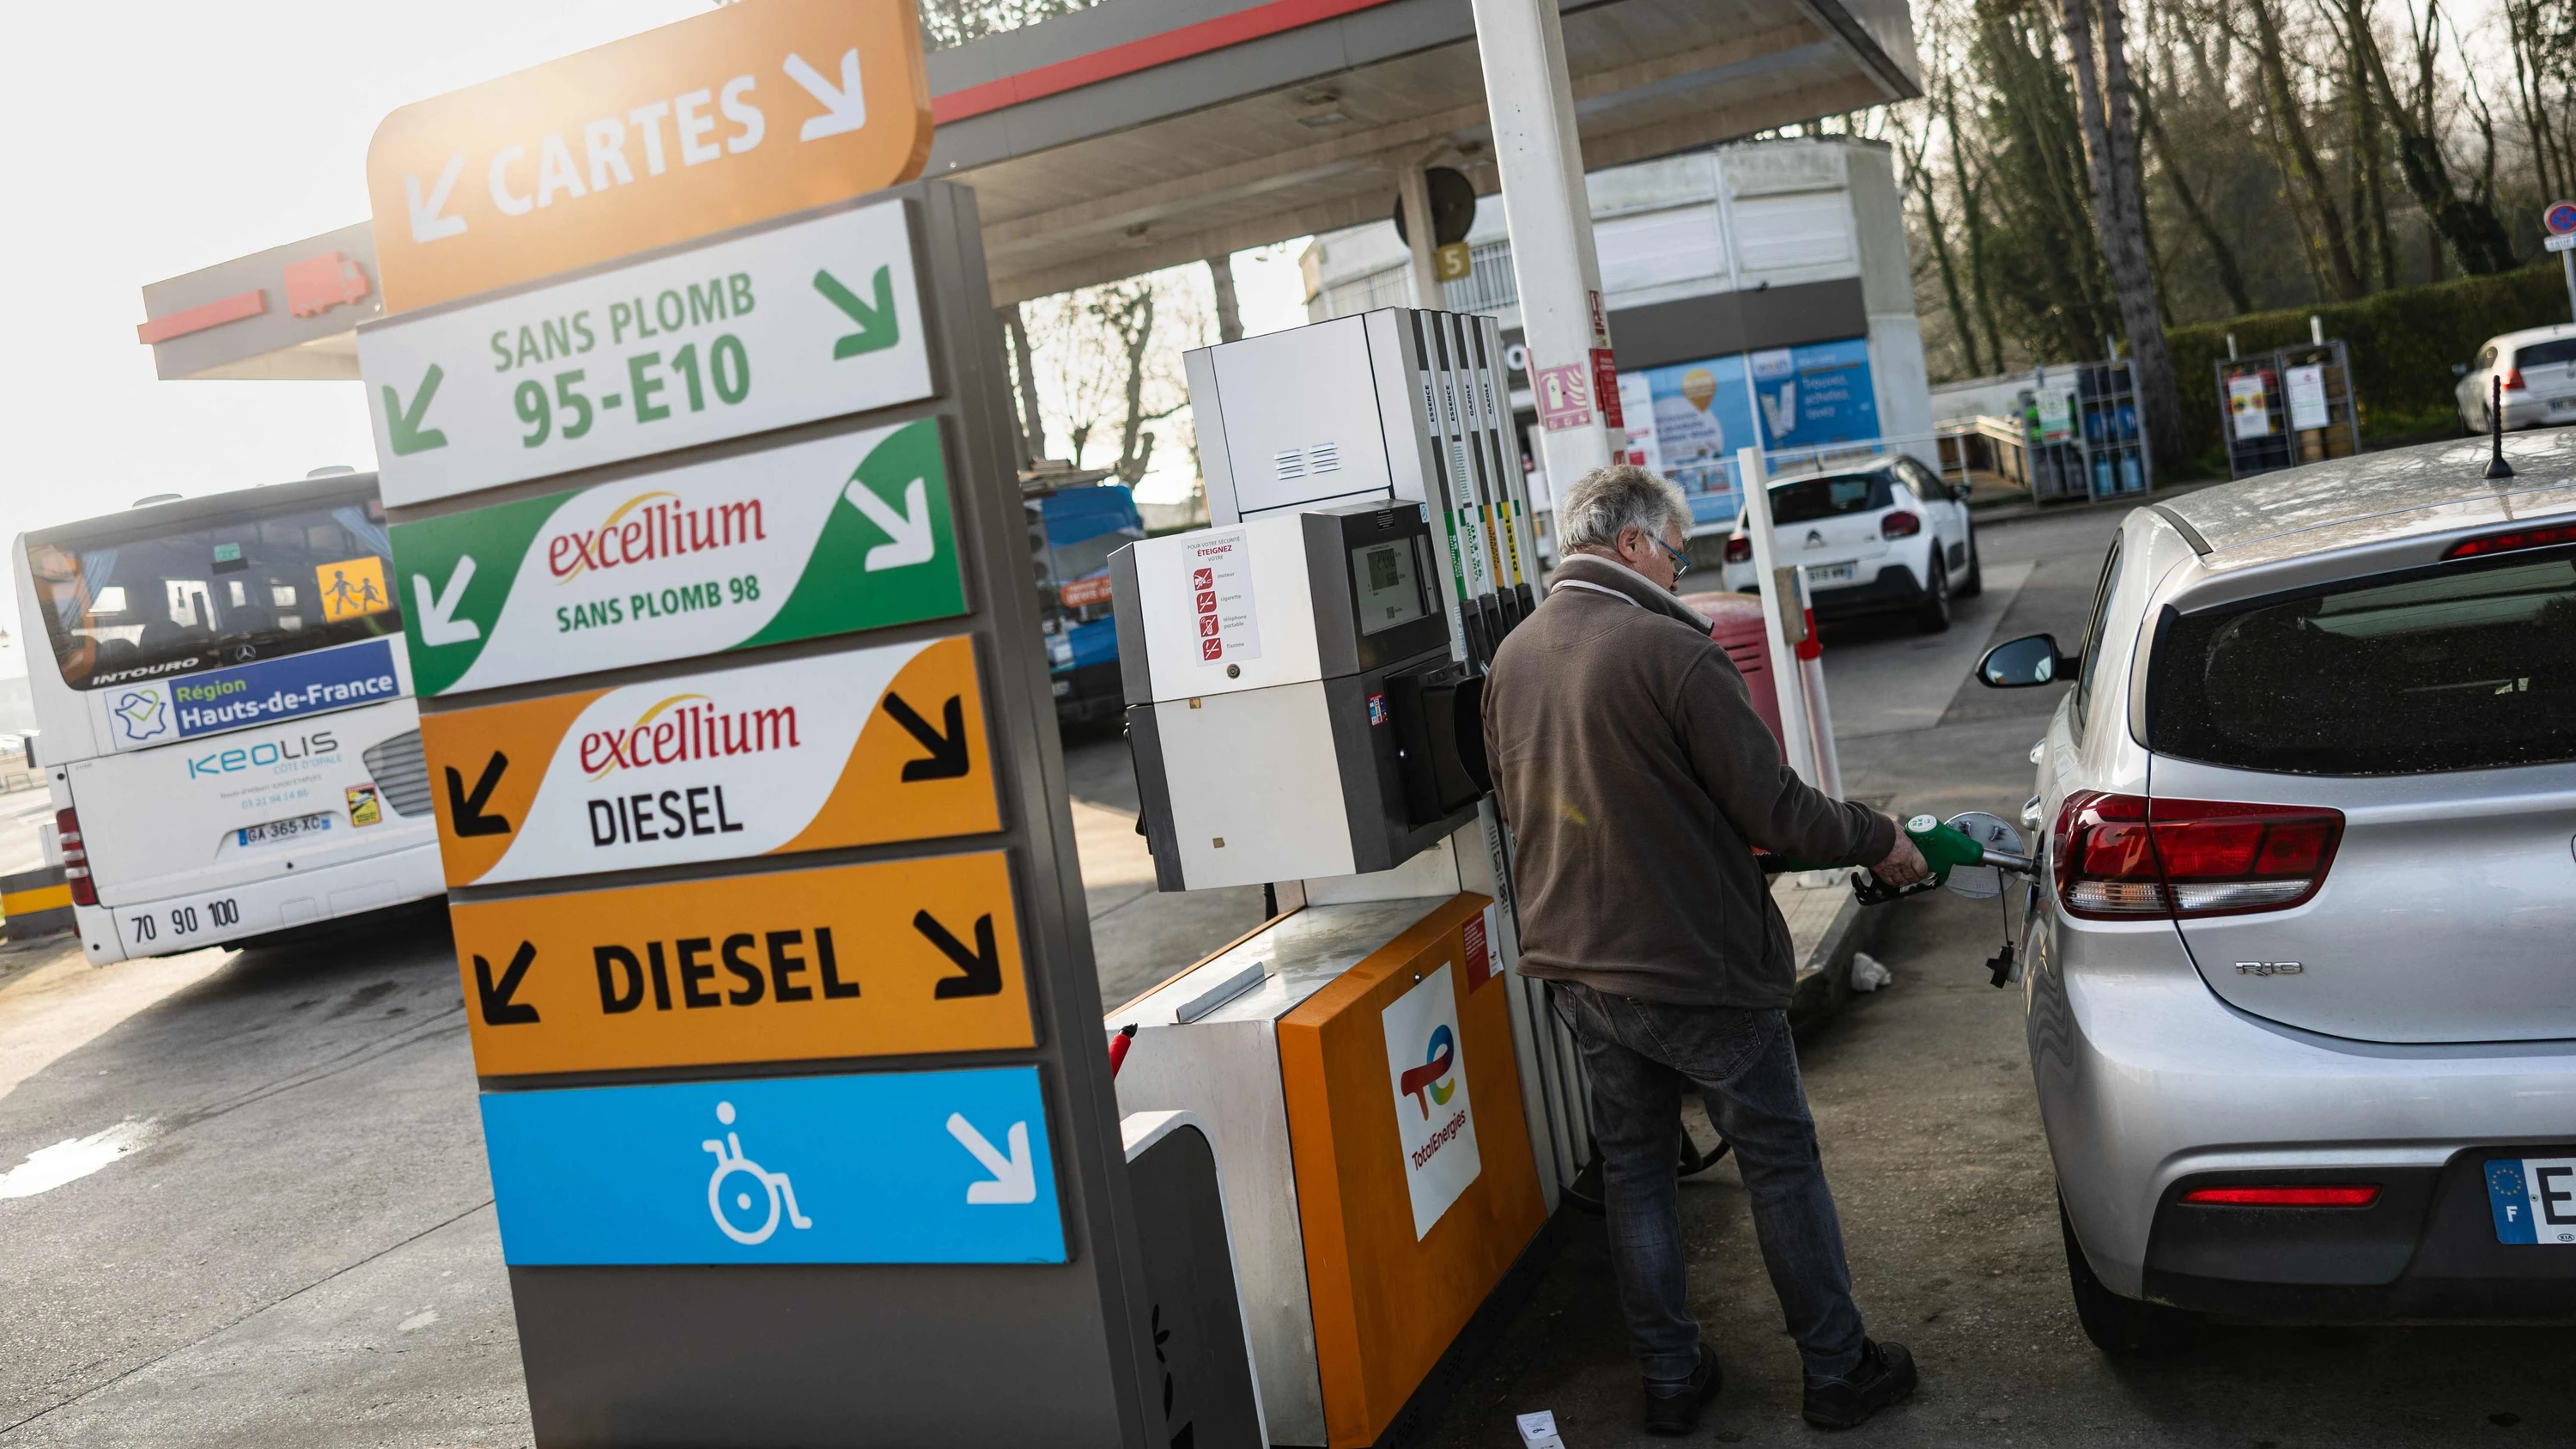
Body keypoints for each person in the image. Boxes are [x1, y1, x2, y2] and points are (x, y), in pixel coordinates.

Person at [1482, 464, 1929, 1435]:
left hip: (1577, 967)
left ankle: (1671, 1378)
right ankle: (1838, 1367)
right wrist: (1877, 835)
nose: (1679, 574)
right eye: (1676, 555)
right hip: (1694, 966)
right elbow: (1776, 810)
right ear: (1632, 543)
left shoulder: (1513, 658)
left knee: (1637, 1167)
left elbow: (1528, 806)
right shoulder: (1672, 651)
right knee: (1779, 1159)